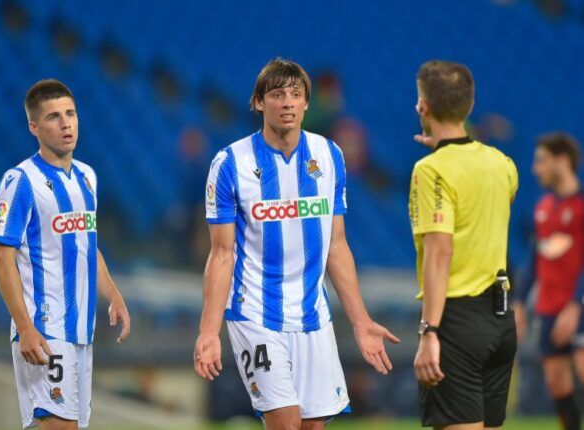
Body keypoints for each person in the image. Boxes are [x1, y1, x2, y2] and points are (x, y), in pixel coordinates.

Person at [193, 58, 399, 430]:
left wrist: (361, 320)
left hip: (312, 315)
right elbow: (221, 254)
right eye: (276, 94)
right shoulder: (230, 163)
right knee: (286, 422)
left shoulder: (330, 156)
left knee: (312, 426)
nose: (287, 102)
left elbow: (337, 245)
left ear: (307, 103)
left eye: (295, 94)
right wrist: (209, 332)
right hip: (255, 312)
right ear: (258, 102)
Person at [0, 79, 130, 430]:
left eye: (70, 113)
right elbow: (2, 257)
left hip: (83, 331)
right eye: (54, 116)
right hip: (45, 328)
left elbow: (86, 244)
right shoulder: (20, 180)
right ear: (34, 127)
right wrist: (25, 327)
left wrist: (113, 294)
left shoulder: (87, 176)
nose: (66, 123)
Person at [409, 60, 518, 429]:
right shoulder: (502, 163)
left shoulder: (430, 171)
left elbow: (440, 253)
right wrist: (450, 150)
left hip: (456, 322)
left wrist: (429, 333)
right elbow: (490, 206)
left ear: (423, 106)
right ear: (469, 106)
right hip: (501, 322)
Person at [514, 132, 584, 430]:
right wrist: (518, 300)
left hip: (577, 306)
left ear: (562, 161)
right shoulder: (543, 207)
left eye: (541, 161)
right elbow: (534, 260)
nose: (535, 168)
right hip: (549, 307)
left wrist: (576, 305)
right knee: (557, 383)